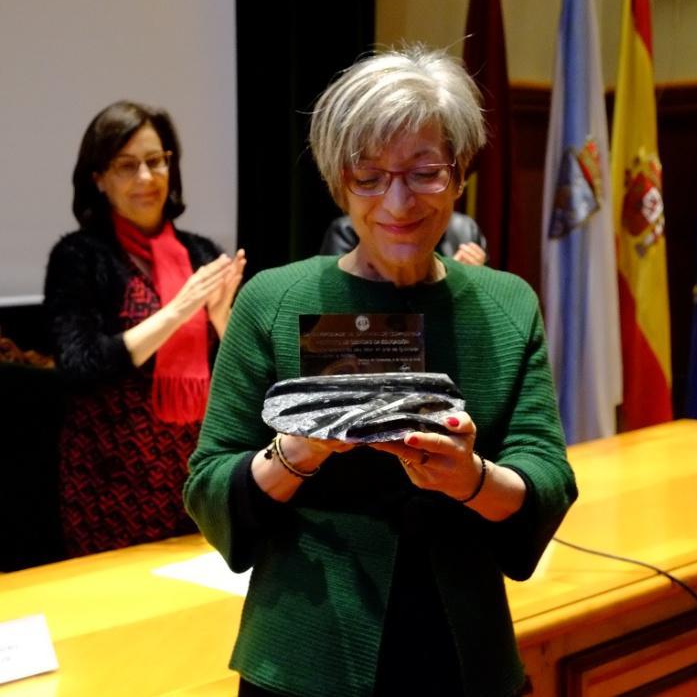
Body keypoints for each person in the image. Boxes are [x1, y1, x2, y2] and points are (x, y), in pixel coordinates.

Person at [184, 45, 576, 697]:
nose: (398, 201)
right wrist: (297, 453)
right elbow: (209, 485)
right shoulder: (274, 302)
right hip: (304, 655)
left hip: (463, 653)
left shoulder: (506, 306)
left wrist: (471, 478)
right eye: (368, 176)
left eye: (424, 172)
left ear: (460, 174)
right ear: (340, 183)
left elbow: (548, 478)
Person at [44, 101, 245, 557]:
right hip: (110, 479)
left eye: (156, 162)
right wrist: (178, 311)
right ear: (98, 178)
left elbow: (239, 371)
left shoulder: (200, 253)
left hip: (196, 472)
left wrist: (219, 316)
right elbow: (80, 366)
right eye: (126, 166)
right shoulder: (79, 257)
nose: (146, 178)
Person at [320, 211, 488, 265]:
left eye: (425, 174)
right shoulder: (347, 230)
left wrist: (477, 280)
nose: (399, 207)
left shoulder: (465, 229)